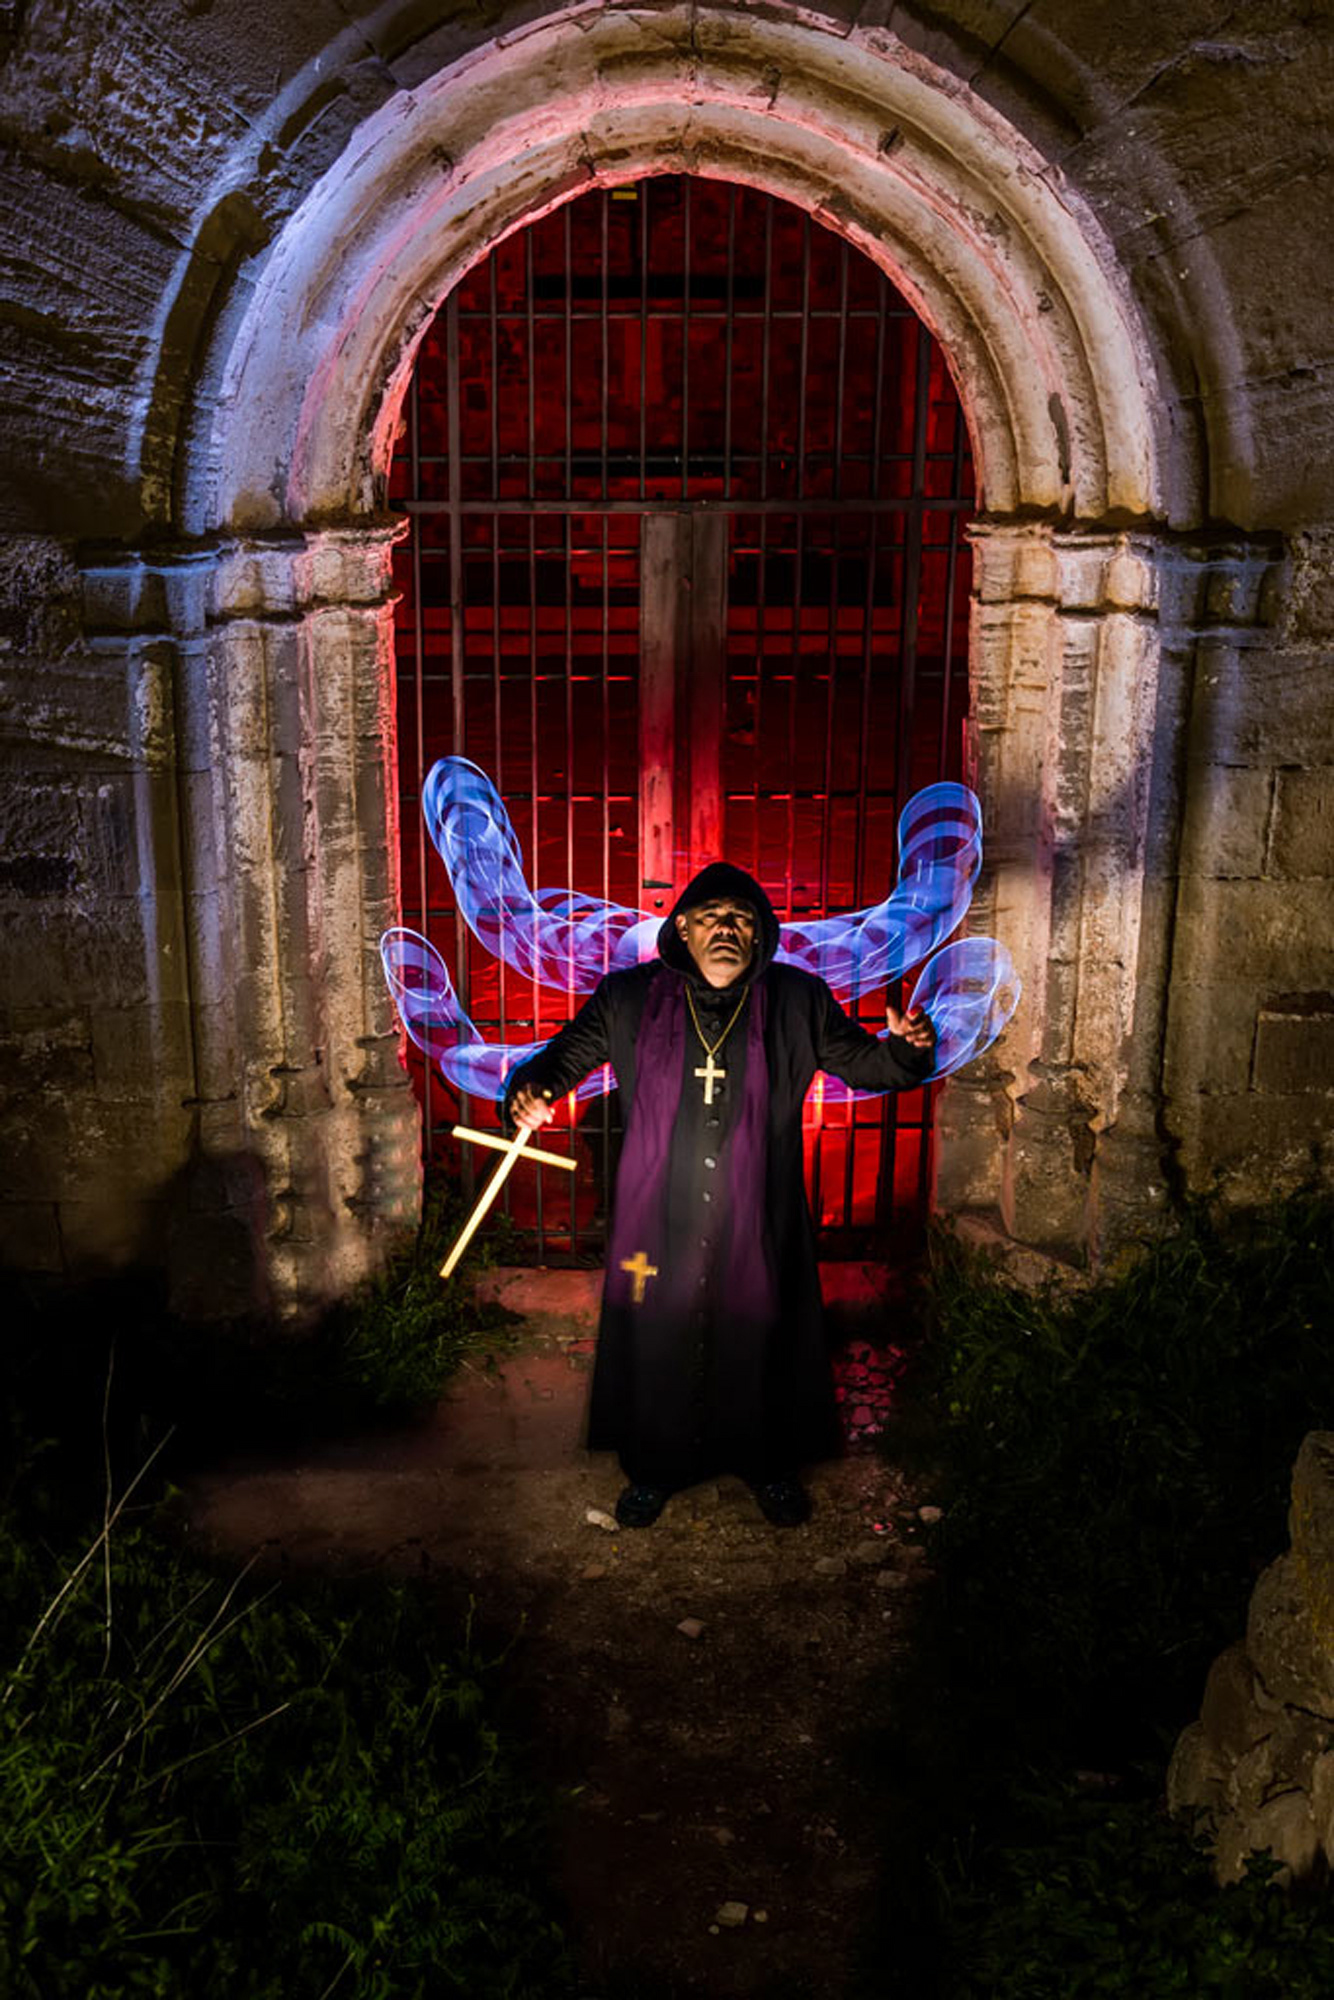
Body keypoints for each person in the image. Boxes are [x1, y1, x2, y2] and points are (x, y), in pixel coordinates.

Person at [503, 861, 937, 1529]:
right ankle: (654, 1466)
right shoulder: (628, 998)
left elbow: (866, 1063)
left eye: (739, 918)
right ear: (682, 928)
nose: (725, 929)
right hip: (659, 1214)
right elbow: (562, 1060)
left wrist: (905, 1050)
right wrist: (530, 1091)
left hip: (757, 1210)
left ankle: (768, 1465)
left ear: (760, 932)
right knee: (658, 1336)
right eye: (709, 917)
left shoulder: (797, 999)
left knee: (759, 1334)